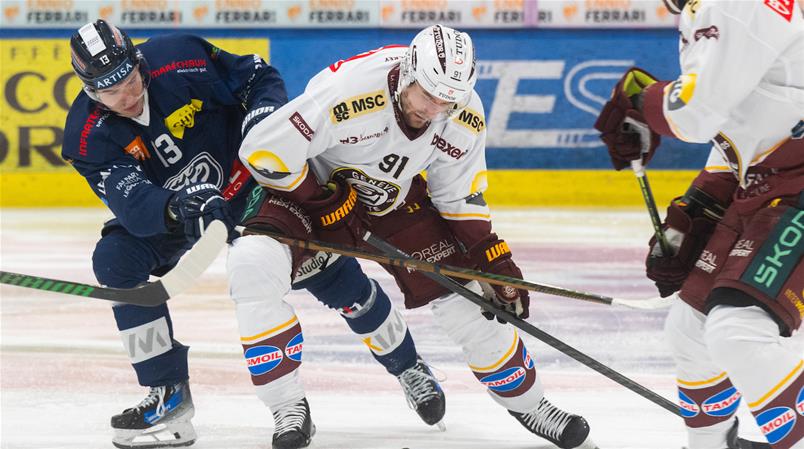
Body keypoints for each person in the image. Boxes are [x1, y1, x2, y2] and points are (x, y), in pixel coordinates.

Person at [63, 20, 444, 449]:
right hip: (185, 213)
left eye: (131, 80)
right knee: (116, 260)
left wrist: (264, 128)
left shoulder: (181, 57)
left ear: (138, 62)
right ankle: (169, 394)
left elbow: (258, 78)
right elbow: (133, 203)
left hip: (252, 187)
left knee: (336, 280)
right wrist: (178, 205)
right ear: (90, 91)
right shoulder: (85, 136)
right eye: (112, 92)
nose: (128, 96)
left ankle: (408, 365)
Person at [238, 24, 599, 449]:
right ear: (407, 73)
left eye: (446, 101)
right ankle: (287, 408)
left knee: (471, 301)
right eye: (427, 96)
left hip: (392, 200)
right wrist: (319, 199)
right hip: (311, 193)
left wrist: (494, 259)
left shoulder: (462, 112)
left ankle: (533, 405)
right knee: (251, 265)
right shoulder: (348, 89)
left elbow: (458, 194)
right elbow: (261, 151)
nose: (432, 110)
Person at [593, 1, 803, 448]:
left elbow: (695, 112)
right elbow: (741, 122)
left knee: (739, 330)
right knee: (690, 330)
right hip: (767, 181)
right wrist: (701, 205)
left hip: (795, 182)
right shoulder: (703, 8)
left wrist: (636, 100)